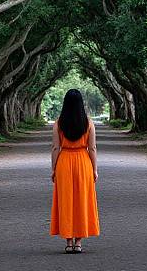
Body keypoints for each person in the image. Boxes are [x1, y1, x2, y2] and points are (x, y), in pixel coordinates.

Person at [49, 89, 100, 253]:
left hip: (64, 162)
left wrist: (54, 169)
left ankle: (68, 241)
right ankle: (79, 242)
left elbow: (56, 147)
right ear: (81, 104)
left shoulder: (58, 123)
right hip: (83, 162)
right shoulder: (88, 123)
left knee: (66, 201)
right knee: (81, 200)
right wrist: (95, 169)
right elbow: (92, 148)